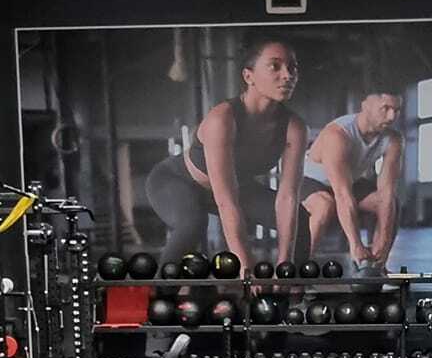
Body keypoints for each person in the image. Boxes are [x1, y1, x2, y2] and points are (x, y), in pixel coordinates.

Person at [144, 39, 307, 271]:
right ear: (248, 76)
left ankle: (295, 294)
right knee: (192, 225)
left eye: (293, 67)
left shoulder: (294, 127)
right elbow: (226, 202)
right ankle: (159, 296)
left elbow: (287, 197)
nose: (288, 75)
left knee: (300, 218)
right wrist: (245, 265)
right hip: (177, 182)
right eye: (275, 66)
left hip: (237, 189)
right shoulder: (222, 120)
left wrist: (285, 264)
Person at [301, 90, 404, 270]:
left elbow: (386, 192)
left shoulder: (394, 139)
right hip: (311, 182)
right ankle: (299, 268)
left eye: (396, 110)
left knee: (388, 202)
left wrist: (382, 248)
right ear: (365, 106)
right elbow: (342, 194)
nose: (392, 116)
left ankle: (377, 265)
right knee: (325, 205)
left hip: (349, 181)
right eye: (385, 108)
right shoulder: (338, 134)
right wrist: (356, 245)